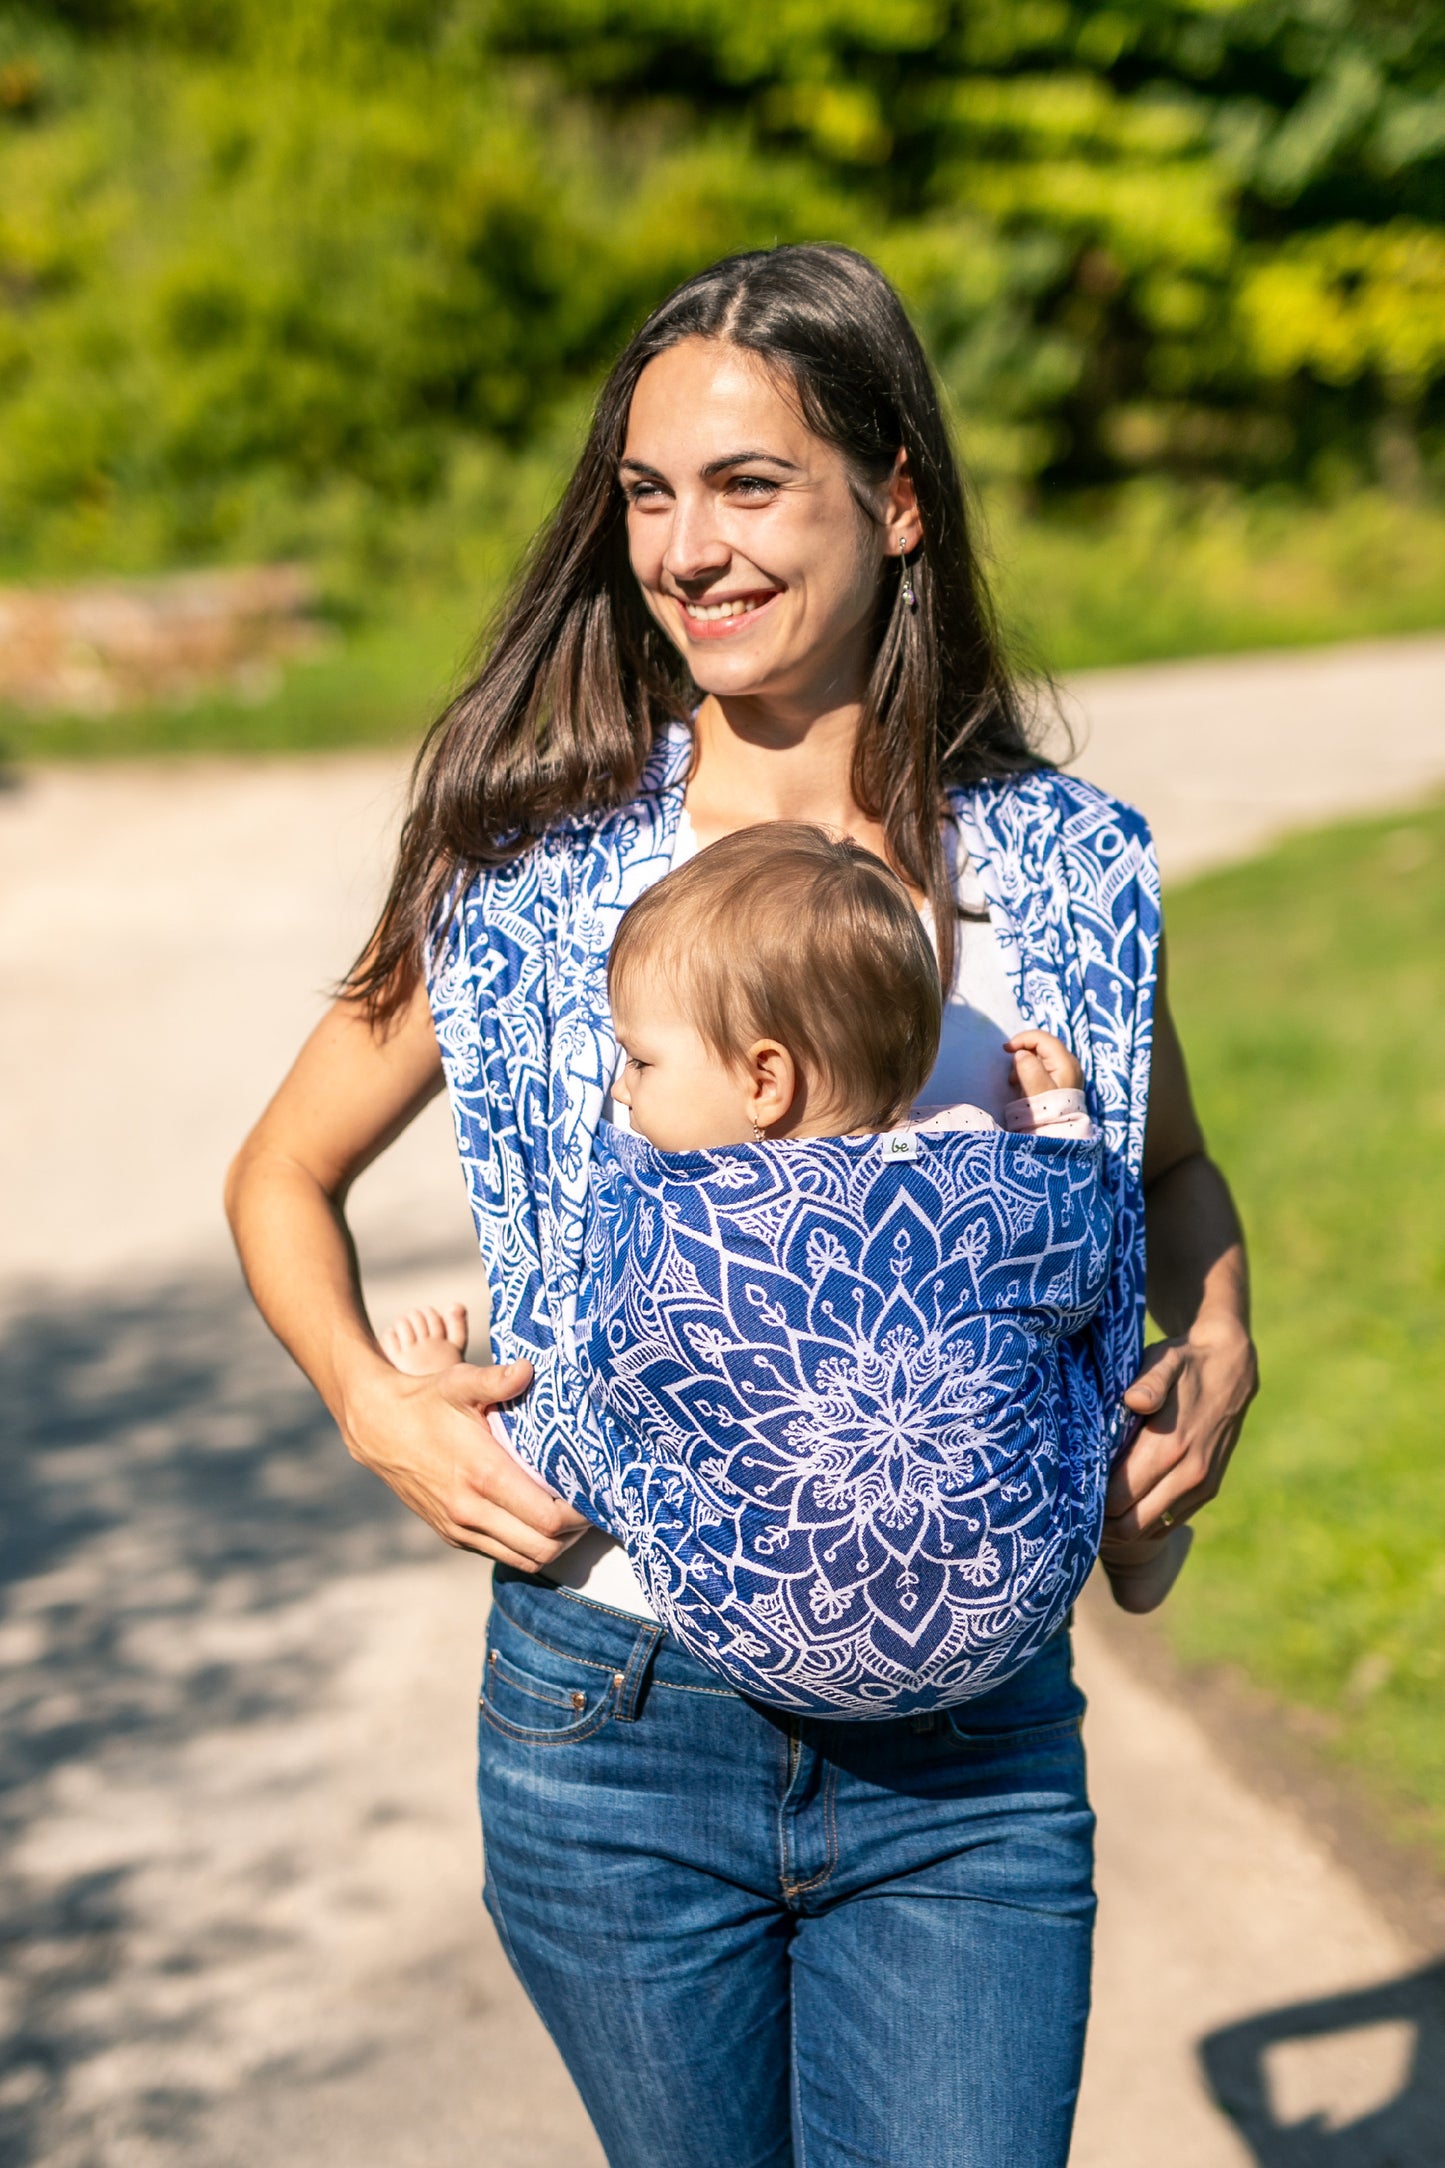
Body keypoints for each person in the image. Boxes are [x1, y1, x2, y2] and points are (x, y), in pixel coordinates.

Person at [226, 243, 1256, 2167]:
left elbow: (1173, 1172)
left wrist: (1225, 1335)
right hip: (613, 1721)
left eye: (749, 483)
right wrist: (374, 1404)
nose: (686, 548)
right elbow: (282, 1173)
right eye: (647, 494)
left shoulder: (1063, 865)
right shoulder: (524, 870)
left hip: (973, 1764)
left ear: (896, 497)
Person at [382, 819, 1187, 1704]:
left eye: (641, 1060)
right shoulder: (978, 1163)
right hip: (1011, 1609)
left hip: (736, 1622)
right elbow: (1080, 1259)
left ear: (765, 1082)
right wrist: (1060, 1129)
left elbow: (601, 1357)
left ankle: (461, 1396)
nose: (619, 1086)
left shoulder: (672, 1216)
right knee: (1071, 1382)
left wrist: (446, 1382)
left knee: (596, 1400)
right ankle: (1132, 1541)